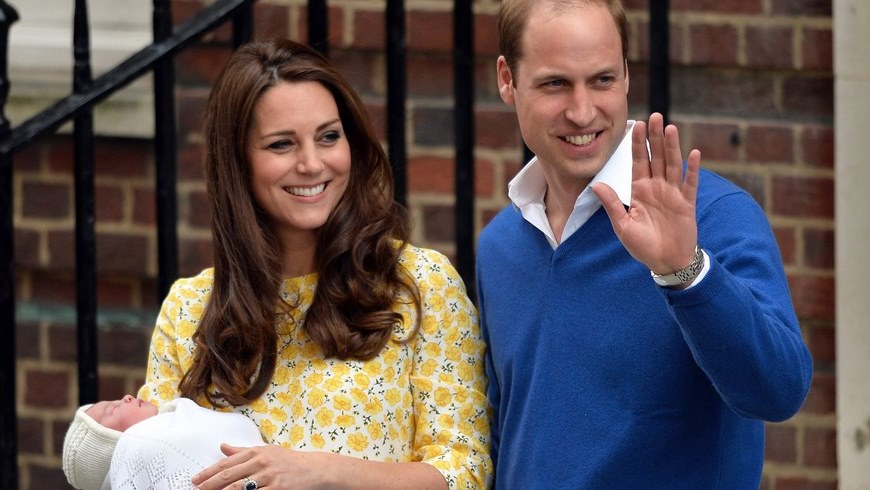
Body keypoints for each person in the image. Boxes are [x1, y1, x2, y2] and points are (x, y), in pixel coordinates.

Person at [475, 0, 814, 488]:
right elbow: (509, 435)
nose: (582, 110)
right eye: (555, 83)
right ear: (507, 79)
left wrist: (686, 273)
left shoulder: (714, 216)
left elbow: (779, 393)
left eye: (602, 80)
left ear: (627, 76)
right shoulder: (500, 245)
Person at [135, 38, 491, 490]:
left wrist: (322, 472)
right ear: (237, 164)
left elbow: (464, 471)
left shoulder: (419, 284)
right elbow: (147, 470)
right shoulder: (188, 312)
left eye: (328, 137)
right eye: (281, 144)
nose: (311, 163)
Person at [62, 395, 265, 490]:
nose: (126, 397)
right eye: (112, 409)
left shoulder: (179, 420)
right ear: (110, 449)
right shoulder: (140, 443)